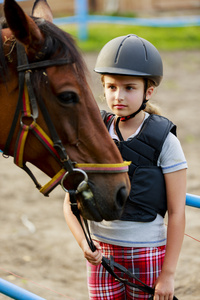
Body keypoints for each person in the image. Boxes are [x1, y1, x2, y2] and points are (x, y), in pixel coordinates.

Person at [63, 34, 187, 300]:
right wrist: (84, 243)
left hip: (147, 255)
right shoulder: (93, 135)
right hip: (102, 256)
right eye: (111, 87)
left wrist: (168, 275)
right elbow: (69, 203)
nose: (118, 96)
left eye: (129, 87)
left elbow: (177, 213)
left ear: (148, 91)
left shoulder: (166, 141)